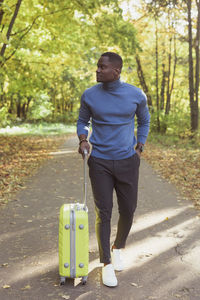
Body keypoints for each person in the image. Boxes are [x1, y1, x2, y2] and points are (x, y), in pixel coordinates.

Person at [77, 52, 150, 287]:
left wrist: (140, 146)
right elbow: (82, 121)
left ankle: (118, 246)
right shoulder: (89, 95)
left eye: (102, 67)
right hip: (99, 161)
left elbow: (144, 120)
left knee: (128, 209)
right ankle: (106, 264)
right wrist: (82, 139)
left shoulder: (136, 94)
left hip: (128, 160)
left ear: (115, 71)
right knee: (104, 212)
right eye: (98, 66)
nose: (97, 70)